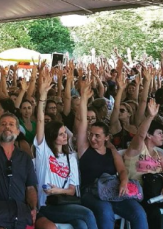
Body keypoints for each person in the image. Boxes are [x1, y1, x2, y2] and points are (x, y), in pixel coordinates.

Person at [0, 63, 47, 229]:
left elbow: (30, 187)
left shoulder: (24, 158)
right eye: (2, 124)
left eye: (11, 124)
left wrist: (33, 208)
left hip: (21, 212)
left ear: (17, 131)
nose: (7, 127)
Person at [76, 74, 148, 229]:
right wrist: (83, 98)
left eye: (97, 136)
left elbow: (122, 170)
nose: (93, 138)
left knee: (139, 212)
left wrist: (123, 182)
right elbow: (82, 122)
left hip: (113, 189)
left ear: (106, 137)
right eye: (91, 135)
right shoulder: (84, 149)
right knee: (106, 211)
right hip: (91, 192)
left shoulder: (111, 151)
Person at [34, 67, 97, 229]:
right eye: (61, 134)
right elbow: (40, 121)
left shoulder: (71, 158)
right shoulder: (43, 152)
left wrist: (56, 191)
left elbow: (71, 190)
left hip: (64, 202)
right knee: (88, 214)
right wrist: (42, 95)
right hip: (47, 206)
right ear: (52, 136)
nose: (65, 136)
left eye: (65, 133)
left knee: (82, 225)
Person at [124, 99, 163, 229]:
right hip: (138, 195)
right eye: (160, 133)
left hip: (157, 193)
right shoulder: (137, 149)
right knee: (154, 214)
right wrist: (150, 116)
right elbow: (140, 135)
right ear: (149, 134)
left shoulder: (159, 155)